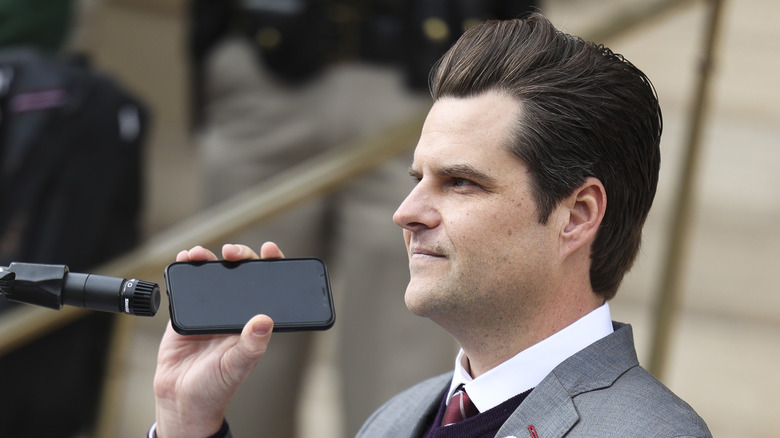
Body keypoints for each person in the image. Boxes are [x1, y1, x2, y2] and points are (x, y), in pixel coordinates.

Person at [149, 13, 712, 438]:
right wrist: (186, 423)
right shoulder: (395, 421)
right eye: (417, 177)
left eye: (461, 182)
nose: (406, 211)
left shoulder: (649, 432)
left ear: (578, 215)